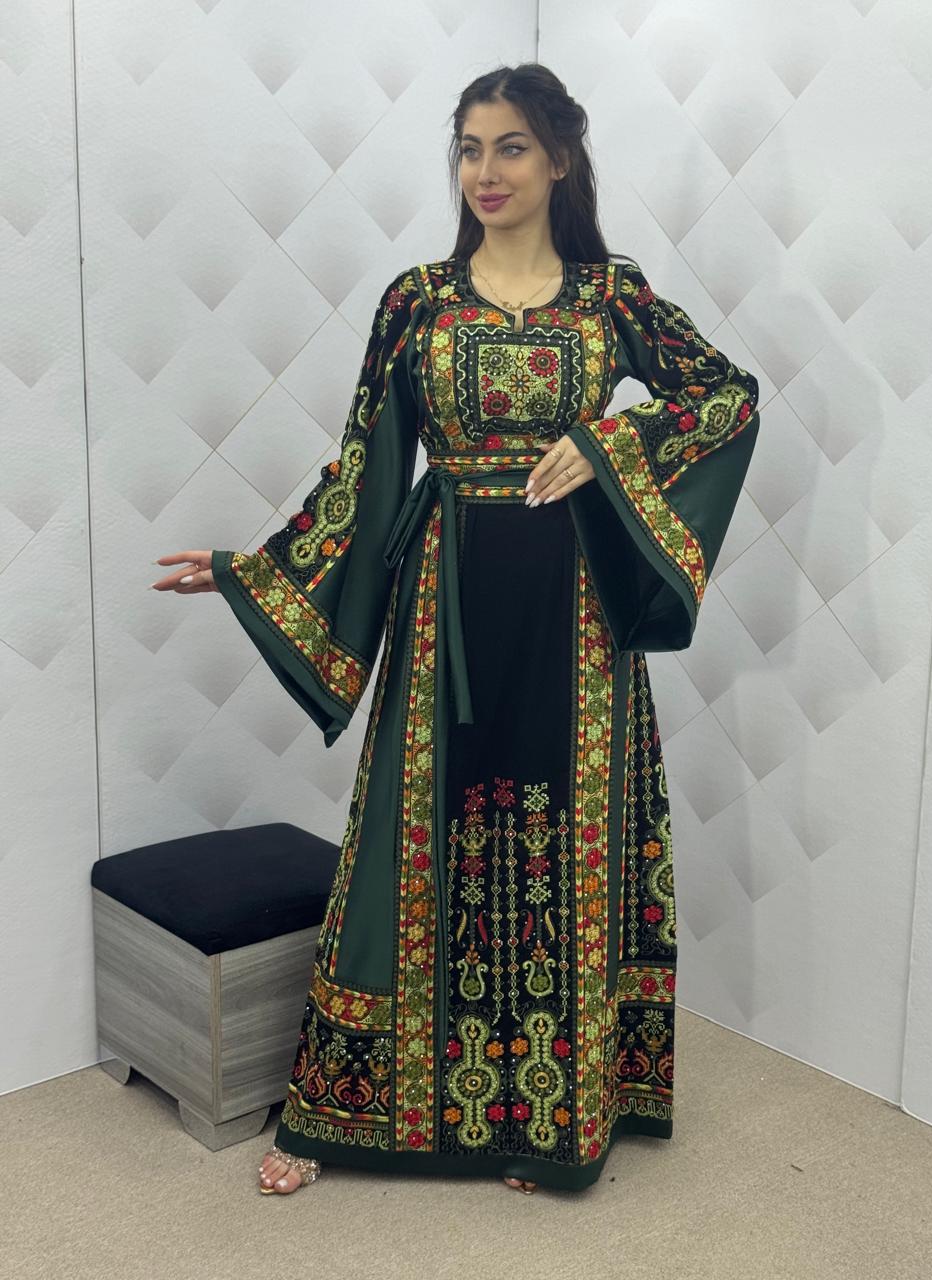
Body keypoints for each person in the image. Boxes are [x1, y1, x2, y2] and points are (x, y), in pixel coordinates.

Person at [151, 62, 761, 1197]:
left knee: (568, 840)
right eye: (470, 148)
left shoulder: (612, 297)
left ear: (559, 158)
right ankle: (343, 1111)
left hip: (576, 616)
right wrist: (253, 569)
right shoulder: (418, 300)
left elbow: (727, 394)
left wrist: (611, 446)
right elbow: (365, 467)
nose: (486, 171)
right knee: (412, 832)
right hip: (449, 603)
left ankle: (549, 1116)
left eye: (510, 146)